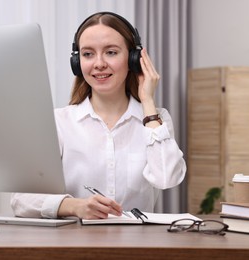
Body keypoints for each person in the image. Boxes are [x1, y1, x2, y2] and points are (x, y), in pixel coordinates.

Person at [11, 12, 186, 220]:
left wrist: (148, 102)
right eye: (87, 54)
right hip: (74, 244)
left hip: (137, 245)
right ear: (77, 62)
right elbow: (20, 199)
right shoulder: (59, 122)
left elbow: (166, 178)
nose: (99, 63)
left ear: (132, 59)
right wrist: (74, 206)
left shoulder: (156, 120)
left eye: (111, 52)